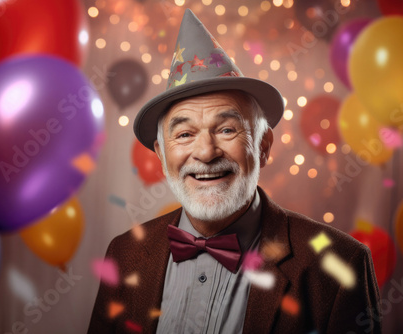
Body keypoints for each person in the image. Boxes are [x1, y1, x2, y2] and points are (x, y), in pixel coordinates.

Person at [88, 9, 382, 334]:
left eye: (227, 130)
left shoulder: (341, 265)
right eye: (184, 134)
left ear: (264, 145)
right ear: (161, 155)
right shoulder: (124, 253)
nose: (205, 152)